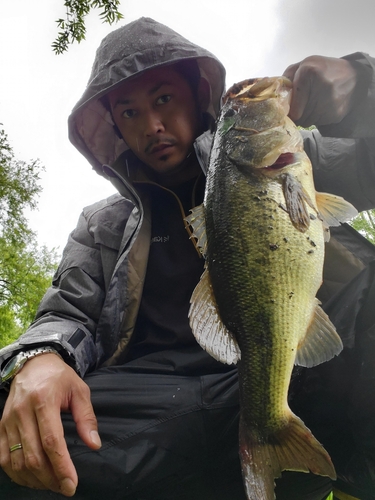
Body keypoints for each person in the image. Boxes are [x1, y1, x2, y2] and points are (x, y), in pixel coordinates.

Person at [0, 16, 375, 500]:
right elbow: (66, 310)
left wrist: (362, 88)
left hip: (291, 374)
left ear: (197, 96)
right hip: (154, 406)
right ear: (113, 127)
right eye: (129, 113)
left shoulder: (287, 158)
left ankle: (352, 470)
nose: (152, 125)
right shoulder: (100, 224)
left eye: (163, 100)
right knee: (16, 425)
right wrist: (43, 356)